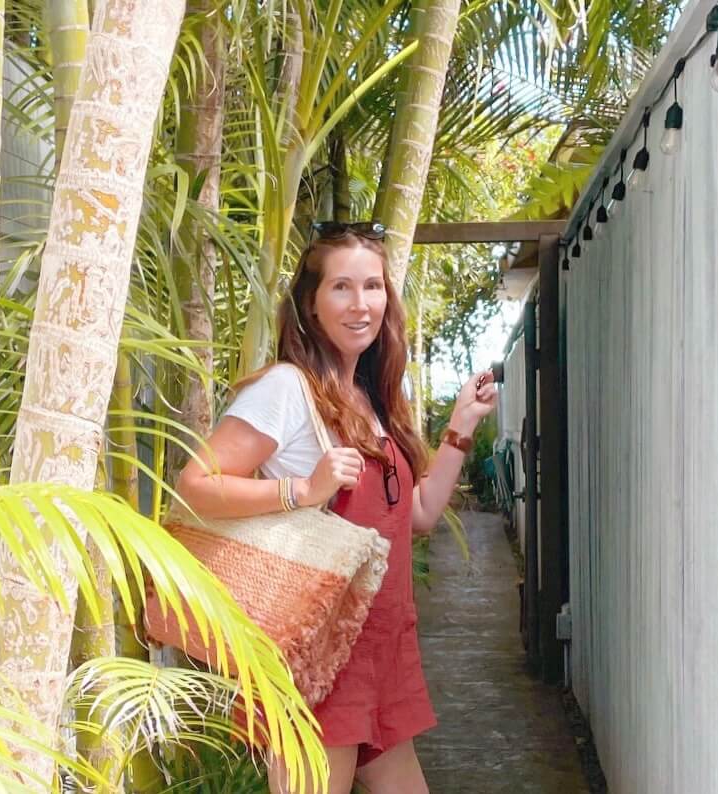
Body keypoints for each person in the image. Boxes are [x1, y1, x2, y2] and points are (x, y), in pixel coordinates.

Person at [176, 221, 498, 794]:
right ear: (311, 302)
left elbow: (418, 515)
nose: (360, 304)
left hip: (382, 643)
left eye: (372, 287)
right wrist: (300, 490)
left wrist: (460, 428)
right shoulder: (286, 389)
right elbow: (196, 484)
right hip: (322, 656)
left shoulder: (372, 399)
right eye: (341, 288)